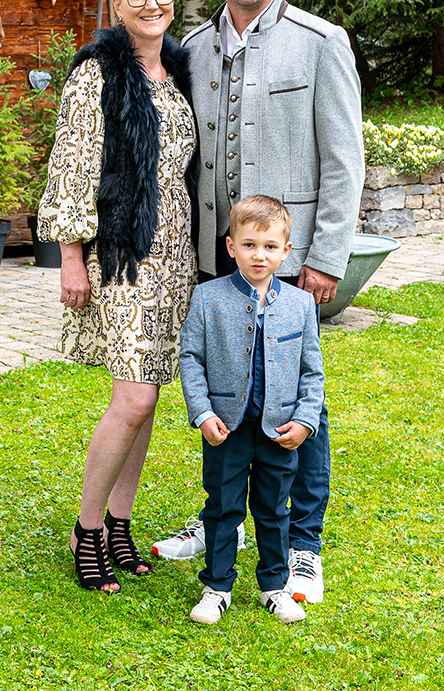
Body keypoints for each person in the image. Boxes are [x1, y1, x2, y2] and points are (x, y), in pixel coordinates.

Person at [152, 0, 364, 605]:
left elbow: (344, 162)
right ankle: (226, 520)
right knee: (225, 390)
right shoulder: (192, 50)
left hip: (292, 258)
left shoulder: (319, 42)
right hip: (220, 260)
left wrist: (325, 255)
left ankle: (303, 544)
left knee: (304, 403)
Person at [37, 0, 198, 593]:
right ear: (119, 3)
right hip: (121, 254)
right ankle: (86, 527)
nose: (152, 5)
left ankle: (120, 524)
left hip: (176, 255)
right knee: (131, 397)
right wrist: (71, 257)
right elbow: (72, 165)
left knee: (149, 395)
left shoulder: (183, 69)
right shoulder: (97, 73)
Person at [181, 196, 323, 625]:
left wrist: (304, 420)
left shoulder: (300, 304)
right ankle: (217, 586)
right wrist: (203, 414)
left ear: (286, 250)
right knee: (223, 508)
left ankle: (275, 587)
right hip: (226, 428)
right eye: (248, 245)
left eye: (269, 246)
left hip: (280, 431)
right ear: (230, 247)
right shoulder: (207, 298)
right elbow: (191, 359)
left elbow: (312, 371)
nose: (258, 255)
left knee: (274, 510)